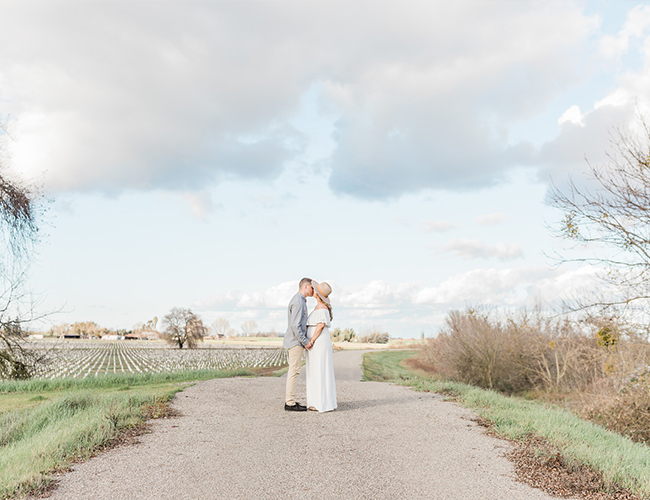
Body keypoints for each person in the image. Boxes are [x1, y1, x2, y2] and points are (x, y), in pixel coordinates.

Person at [305, 280, 337, 412]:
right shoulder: (320, 307)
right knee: (316, 370)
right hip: (318, 342)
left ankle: (320, 402)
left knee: (319, 369)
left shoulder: (322, 309)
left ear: (318, 294)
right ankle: (318, 400)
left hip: (318, 342)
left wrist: (311, 340)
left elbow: (320, 325)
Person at [283, 277, 313, 411]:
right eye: (312, 287)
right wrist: (305, 342)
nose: (313, 290)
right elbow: (295, 326)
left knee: (294, 371)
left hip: (295, 341)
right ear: (306, 287)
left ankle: (291, 400)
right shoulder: (299, 302)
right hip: (296, 342)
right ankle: (289, 403)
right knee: (293, 371)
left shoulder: (299, 300)